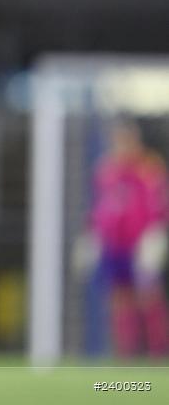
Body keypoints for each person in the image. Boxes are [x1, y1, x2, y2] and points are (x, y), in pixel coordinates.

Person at [75, 119, 168, 358]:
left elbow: (159, 204)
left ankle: (159, 351)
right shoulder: (106, 170)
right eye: (117, 141)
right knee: (118, 299)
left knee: (148, 297)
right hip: (113, 245)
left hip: (140, 245)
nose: (122, 146)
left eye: (127, 140)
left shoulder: (149, 168)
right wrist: (92, 236)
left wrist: (155, 236)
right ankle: (126, 353)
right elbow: (99, 207)